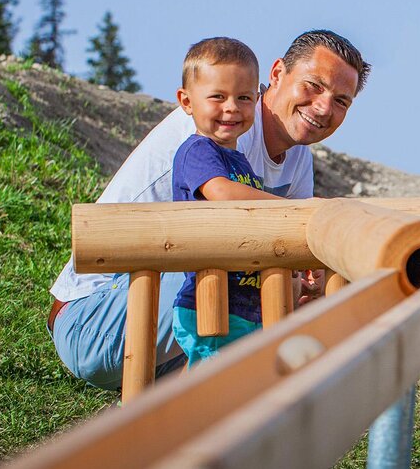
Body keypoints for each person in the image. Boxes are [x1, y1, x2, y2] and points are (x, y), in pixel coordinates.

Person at [48, 29, 370, 390]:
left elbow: (297, 253)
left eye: (341, 101)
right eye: (314, 85)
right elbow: (230, 205)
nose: (324, 107)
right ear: (277, 74)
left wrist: (312, 280)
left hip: (172, 338)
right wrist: (310, 214)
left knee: (313, 293)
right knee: (246, 264)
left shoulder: (297, 160)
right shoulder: (219, 130)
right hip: (95, 321)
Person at [169, 38, 276, 364]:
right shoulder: (198, 151)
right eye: (218, 96)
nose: (232, 107)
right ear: (186, 102)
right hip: (210, 301)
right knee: (214, 389)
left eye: (244, 98)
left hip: (245, 302)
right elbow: (222, 194)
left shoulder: (241, 164)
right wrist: (288, 207)